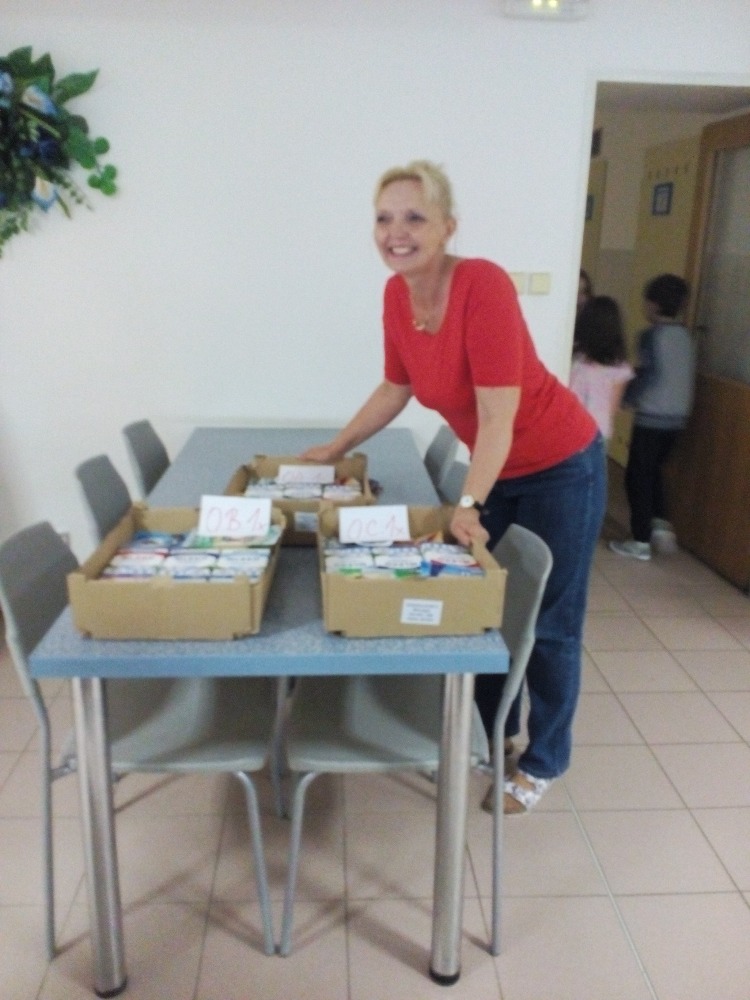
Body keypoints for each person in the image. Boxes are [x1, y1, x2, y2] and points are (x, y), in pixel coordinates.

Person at [301, 160, 606, 814]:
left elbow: (497, 416)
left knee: (550, 622)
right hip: (498, 468)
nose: (396, 232)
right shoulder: (397, 296)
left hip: (559, 463)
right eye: (384, 218)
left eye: (414, 217)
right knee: (488, 608)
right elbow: (397, 386)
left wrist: (468, 503)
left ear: (447, 226)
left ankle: (545, 760)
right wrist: (337, 447)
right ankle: (494, 738)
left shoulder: (482, 285)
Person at [609, 273, 695, 561]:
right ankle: (661, 525)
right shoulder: (686, 336)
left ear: (654, 304)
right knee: (654, 470)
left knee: (637, 477)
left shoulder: (650, 336)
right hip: (677, 418)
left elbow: (649, 374)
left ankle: (640, 541)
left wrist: (626, 399)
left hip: (651, 418)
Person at [570, 295, 634, 440]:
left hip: (572, 427)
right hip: (600, 429)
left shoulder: (576, 359)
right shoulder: (620, 368)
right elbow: (613, 407)